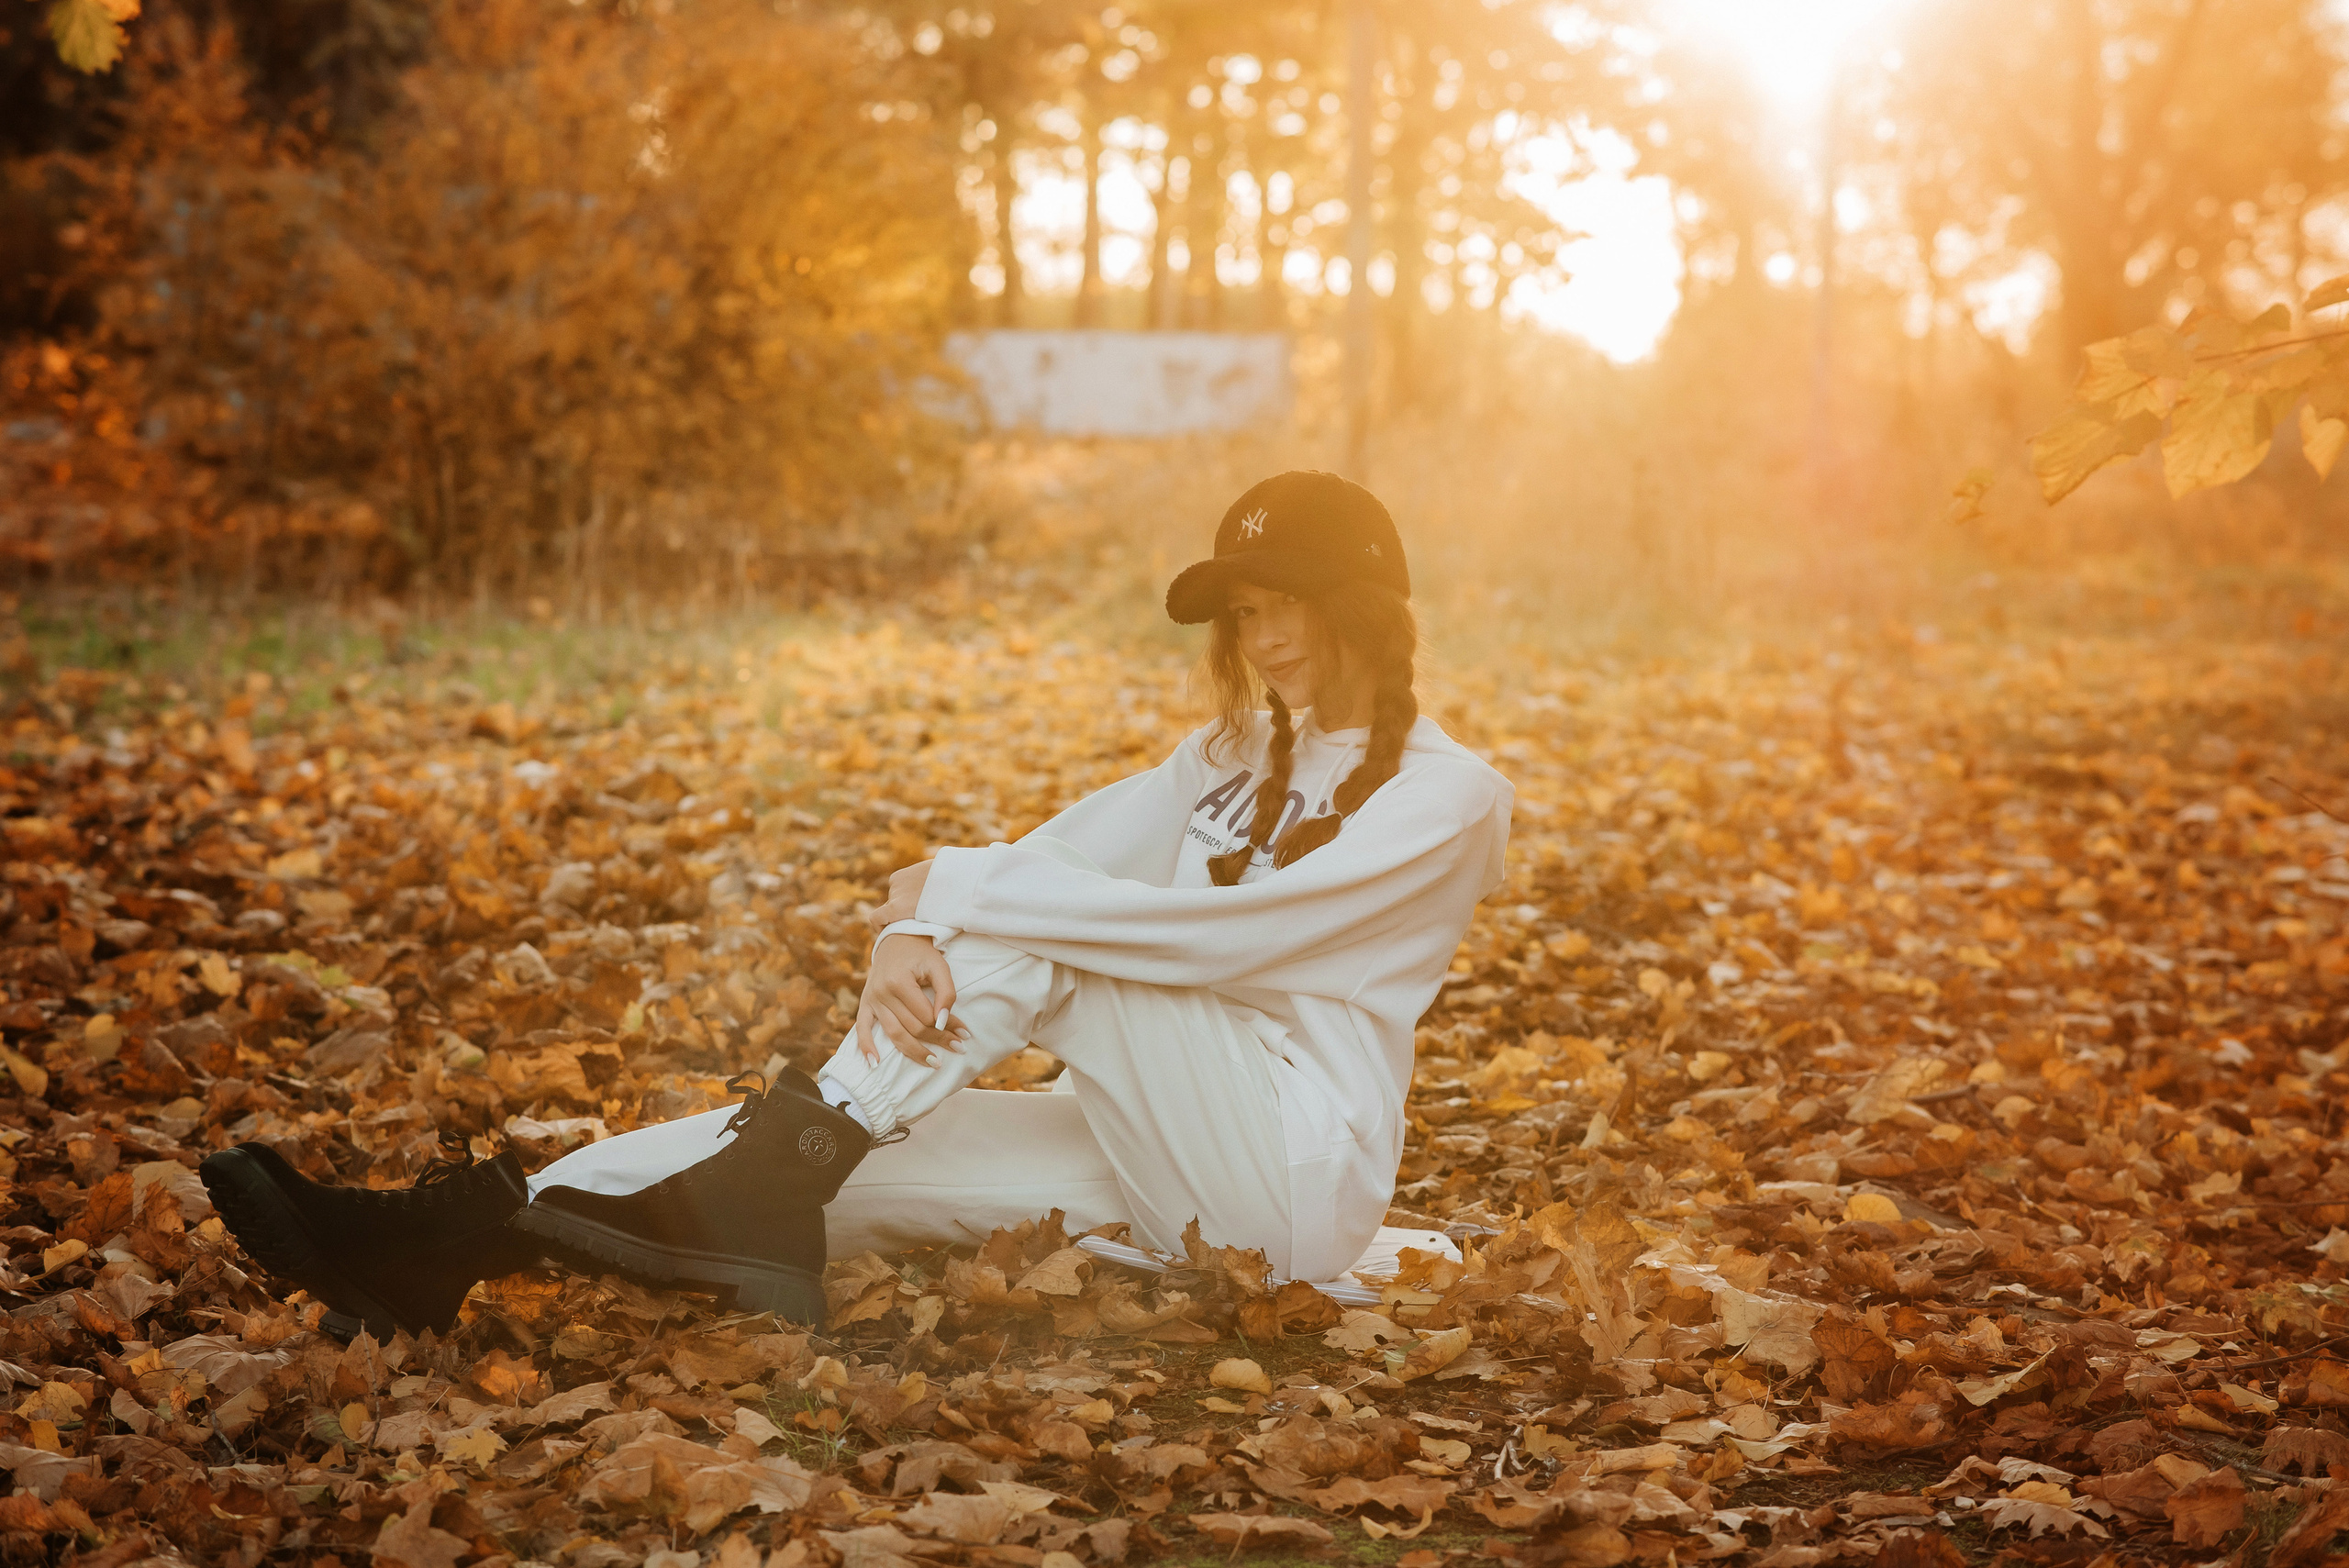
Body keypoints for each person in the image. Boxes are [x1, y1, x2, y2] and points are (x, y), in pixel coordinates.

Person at [200, 472, 1514, 1341]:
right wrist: (908, 927)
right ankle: (451, 1239)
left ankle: (799, 1143)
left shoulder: (1448, 794)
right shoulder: (1228, 757)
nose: (1269, 636)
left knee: (1052, 931)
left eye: (1295, 604)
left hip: (1289, 1179)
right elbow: (1035, 852)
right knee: (841, 1170)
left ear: (1369, 610)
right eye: (1246, 609)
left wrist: (956, 892)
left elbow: (1224, 939)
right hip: (1164, 1142)